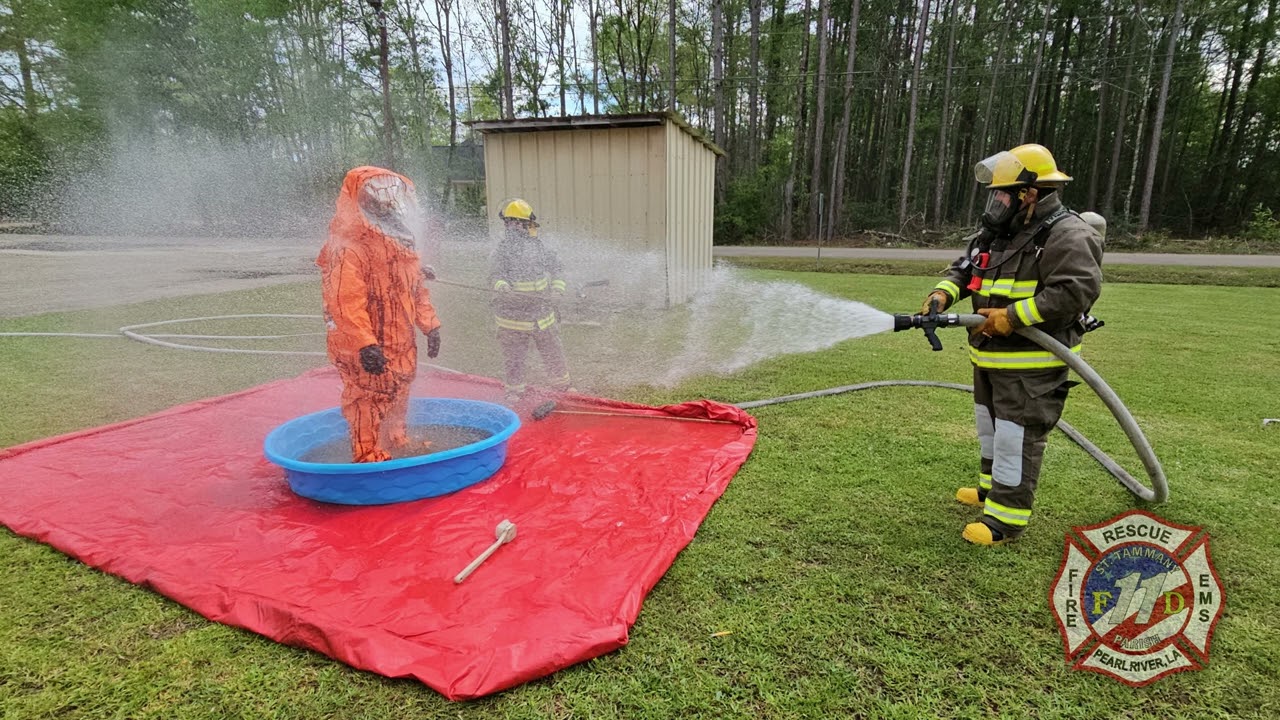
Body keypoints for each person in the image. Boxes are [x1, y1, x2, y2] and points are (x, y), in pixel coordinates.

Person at [920, 144, 1103, 546]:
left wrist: (1014, 316)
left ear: (1030, 194)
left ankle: (1005, 520)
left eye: (1003, 194)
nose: (996, 201)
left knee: (1015, 438)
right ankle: (990, 494)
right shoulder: (999, 234)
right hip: (989, 358)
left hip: (1031, 364)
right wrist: (941, 295)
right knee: (991, 432)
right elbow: (964, 269)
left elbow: (1075, 291)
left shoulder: (1068, 234)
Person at [318, 166, 442, 463]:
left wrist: (430, 325)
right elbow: (344, 301)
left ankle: (396, 439)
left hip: (399, 339)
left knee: (398, 388)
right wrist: (364, 343)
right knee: (366, 396)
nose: (384, 203)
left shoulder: (399, 241)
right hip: (363, 344)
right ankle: (367, 452)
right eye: (375, 195)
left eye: (388, 196)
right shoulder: (349, 247)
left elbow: (415, 288)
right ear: (359, 199)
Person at [488, 198, 574, 403]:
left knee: (553, 352)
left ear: (525, 224)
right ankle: (514, 391)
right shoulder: (502, 251)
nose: (514, 227)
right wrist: (503, 287)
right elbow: (494, 276)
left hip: (542, 315)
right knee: (514, 358)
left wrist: (557, 291)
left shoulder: (540, 248)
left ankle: (563, 386)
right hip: (512, 317)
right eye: (510, 223)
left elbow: (558, 270)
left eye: (518, 223)